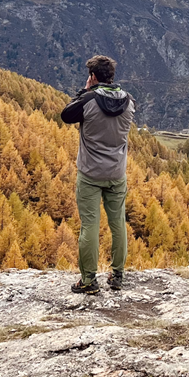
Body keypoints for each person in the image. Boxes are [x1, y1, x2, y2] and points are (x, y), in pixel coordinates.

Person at [60, 55, 135, 293]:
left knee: (90, 226)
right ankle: (118, 276)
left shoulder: (88, 100)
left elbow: (66, 115)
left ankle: (89, 281)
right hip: (117, 173)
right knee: (118, 225)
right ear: (112, 75)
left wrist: (85, 90)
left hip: (90, 173)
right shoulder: (129, 101)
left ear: (92, 77)